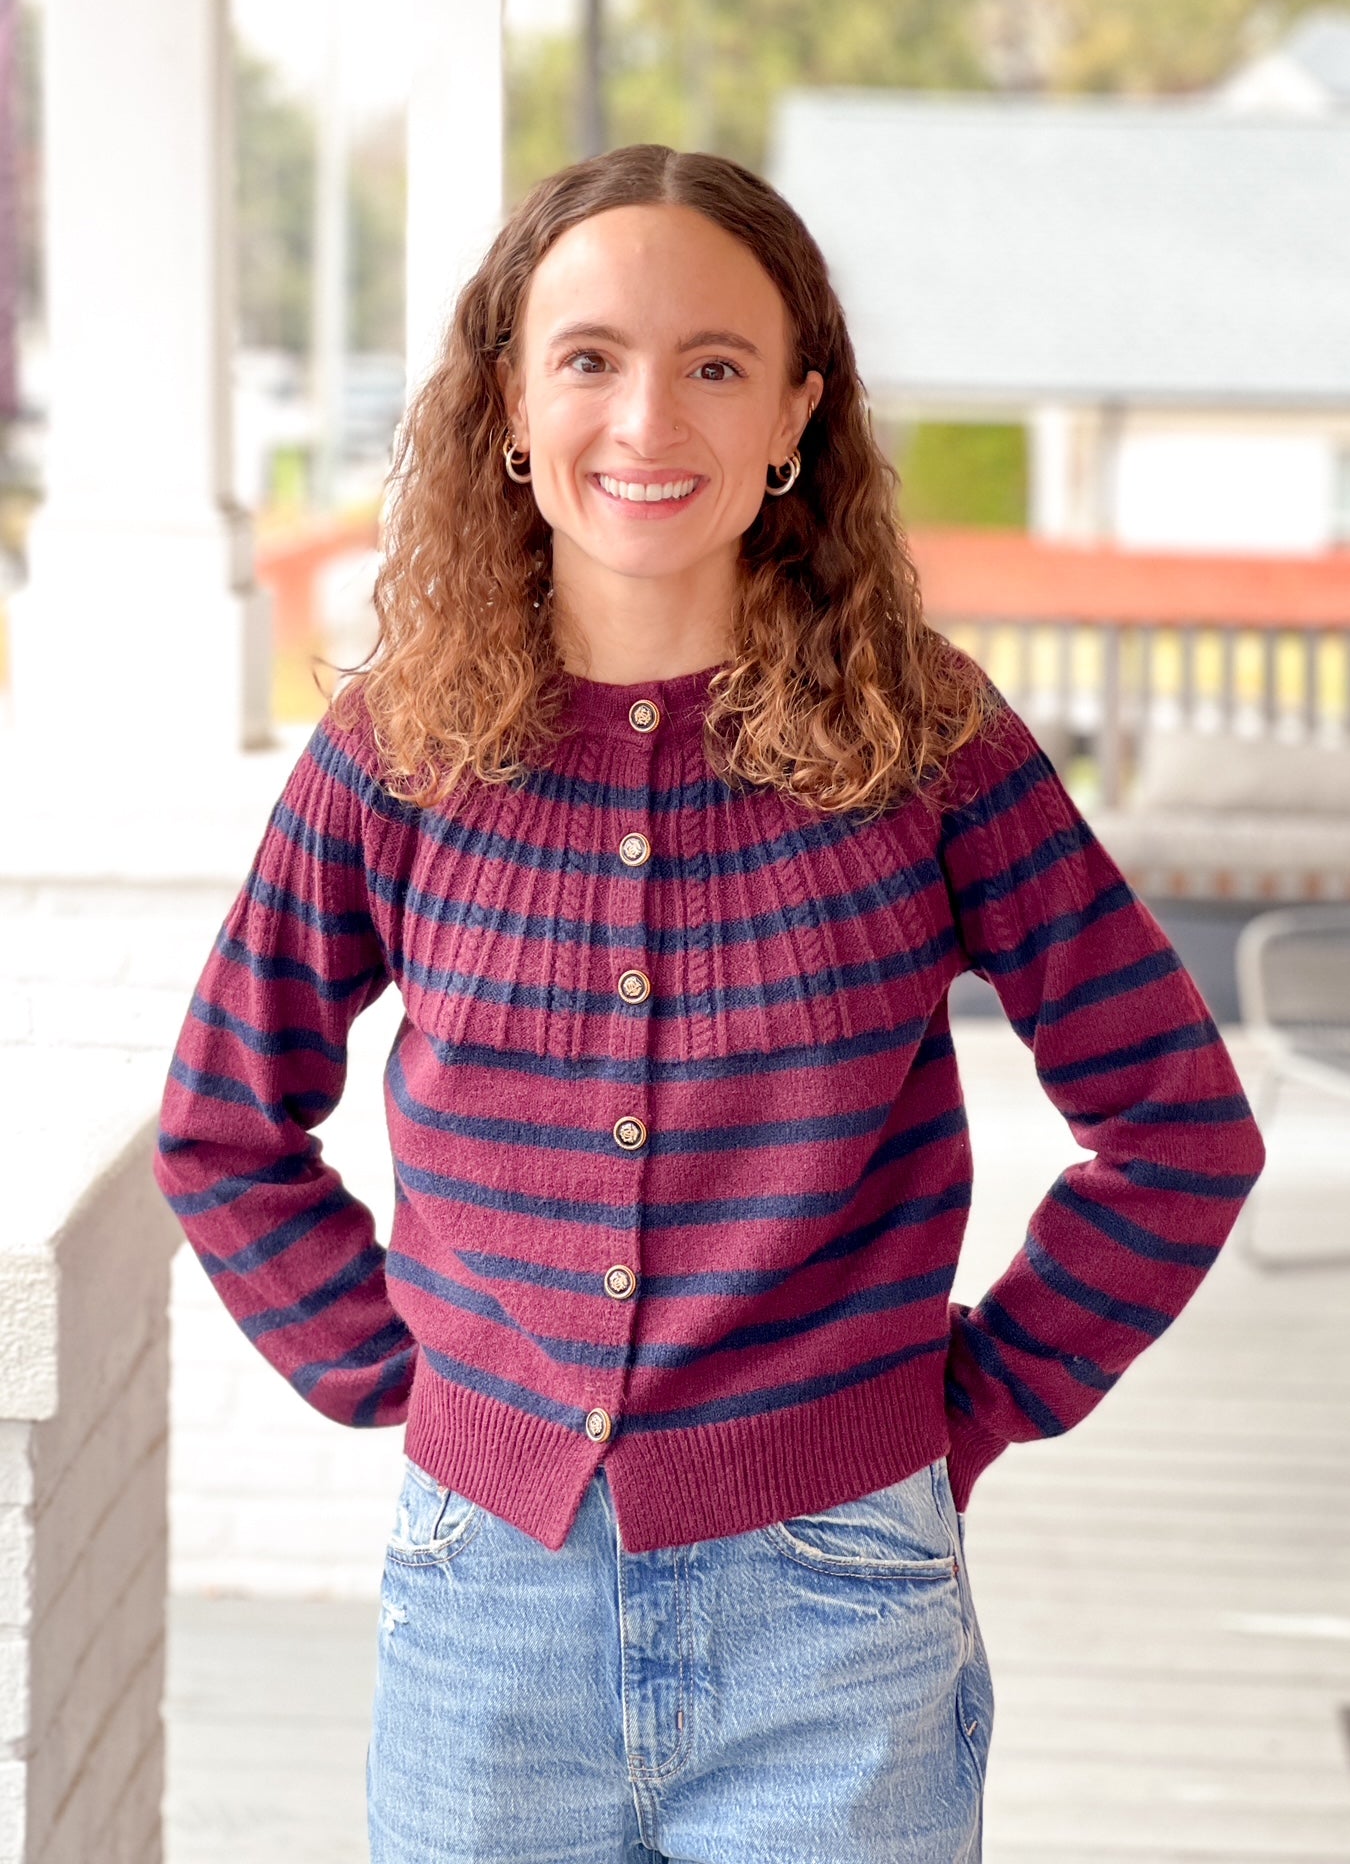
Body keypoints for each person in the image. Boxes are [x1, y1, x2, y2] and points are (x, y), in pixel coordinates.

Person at [154, 143, 1266, 1864]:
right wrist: (417, 1388)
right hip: (484, 1614)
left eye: (716, 365)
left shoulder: (929, 743)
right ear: (511, 407)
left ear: (794, 414)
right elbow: (225, 1124)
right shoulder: (397, 755)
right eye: (589, 357)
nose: (647, 419)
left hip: (840, 1606)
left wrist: (973, 1403)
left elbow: (1178, 1128)